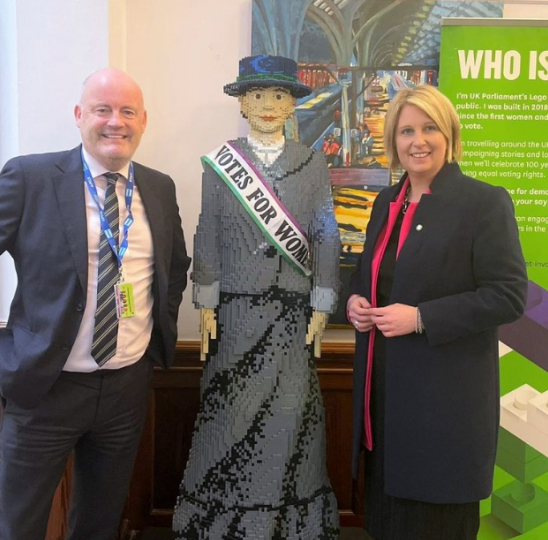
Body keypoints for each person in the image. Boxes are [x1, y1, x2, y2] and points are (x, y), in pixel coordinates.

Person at [0, 68, 190, 540]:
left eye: (127, 111)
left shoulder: (158, 187)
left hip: (126, 388)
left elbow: (174, 268)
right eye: (102, 110)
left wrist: (154, 337)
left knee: (100, 522)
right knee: (18, 525)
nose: (116, 122)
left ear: (143, 121)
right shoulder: (31, 177)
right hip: (45, 387)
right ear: (79, 116)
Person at [346, 85, 527, 540]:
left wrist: (421, 317)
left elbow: (508, 295)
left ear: (449, 135)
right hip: (383, 402)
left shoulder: (484, 202)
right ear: (393, 141)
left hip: (442, 410)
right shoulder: (387, 202)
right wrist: (355, 301)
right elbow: (375, 274)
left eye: (429, 128)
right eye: (406, 130)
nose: (417, 140)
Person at [173, 55, 341, 540]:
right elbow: (208, 232)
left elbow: (326, 234)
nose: (269, 105)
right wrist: (205, 302)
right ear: (243, 103)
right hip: (236, 313)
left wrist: (322, 303)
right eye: (259, 95)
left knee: (288, 418)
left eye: (280, 95)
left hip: (291, 317)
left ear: (292, 106)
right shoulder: (221, 164)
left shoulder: (312, 165)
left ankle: (286, 524)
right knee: (228, 418)